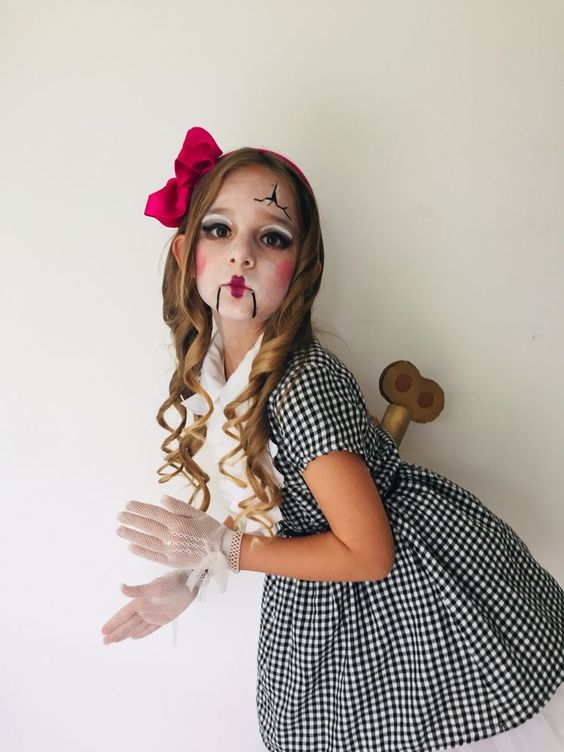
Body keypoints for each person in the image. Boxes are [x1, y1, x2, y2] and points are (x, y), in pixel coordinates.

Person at [101, 127, 564, 752]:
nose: (242, 256)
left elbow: (369, 555)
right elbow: (260, 492)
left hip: (414, 591)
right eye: (220, 230)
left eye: (271, 237)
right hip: (334, 587)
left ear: (302, 269)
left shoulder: (303, 386)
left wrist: (224, 548)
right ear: (185, 254)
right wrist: (191, 579)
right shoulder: (223, 371)